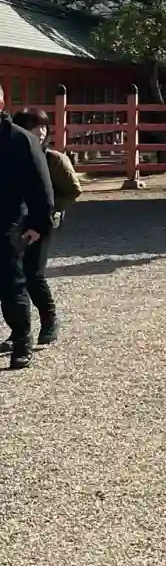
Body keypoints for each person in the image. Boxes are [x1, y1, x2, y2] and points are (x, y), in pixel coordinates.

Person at [11, 108, 80, 349]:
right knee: (12, 277)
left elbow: (73, 190)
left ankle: (49, 319)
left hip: (42, 220)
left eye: (43, 126)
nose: (40, 132)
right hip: (15, 221)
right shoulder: (11, 155)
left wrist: (53, 209)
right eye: (33, 126)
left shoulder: (54, 159)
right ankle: (19, 329)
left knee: (33, 274)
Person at [0, 84, 54, 372]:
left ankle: (22, 340)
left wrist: (38, 223)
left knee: (11, 285)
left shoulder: (20, 139)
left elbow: (40, 185)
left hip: (8, 221)